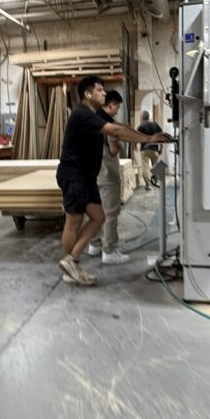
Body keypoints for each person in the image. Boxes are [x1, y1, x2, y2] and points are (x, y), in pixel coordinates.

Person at [57, 77, 171, 286]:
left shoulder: (96, 113)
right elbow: (115, 132)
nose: (104, 93)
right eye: (100, 90)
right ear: (87, 94)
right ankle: (71, 264)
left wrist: (148, 136)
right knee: (73, 221)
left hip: (87, 176)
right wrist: (148, 140)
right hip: (73, 175)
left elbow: (119, 125)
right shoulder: (82, 114)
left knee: (99, 217)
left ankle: (70, 260)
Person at [87, 90, 130, 265]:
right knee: (110, 213)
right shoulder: (108, 125)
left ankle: (94, 244)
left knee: (95, 212)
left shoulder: (90, 119)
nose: (116, 111)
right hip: (107, 174)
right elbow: (113, 150)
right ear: (110, 104)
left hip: (93, 174)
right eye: (116, 107)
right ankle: (109, 250)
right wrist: (121, 140)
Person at [137, 111, 163, 190]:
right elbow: (161, 135)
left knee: (145, 167)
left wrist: (135, 145)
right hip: (154, 149)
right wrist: (161, 147)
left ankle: (148, 185)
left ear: (142, 117)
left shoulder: (140, 126)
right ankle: (156, 181)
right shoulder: (155, 125)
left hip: (144, 149)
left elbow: (136, 137)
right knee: (156, 165)